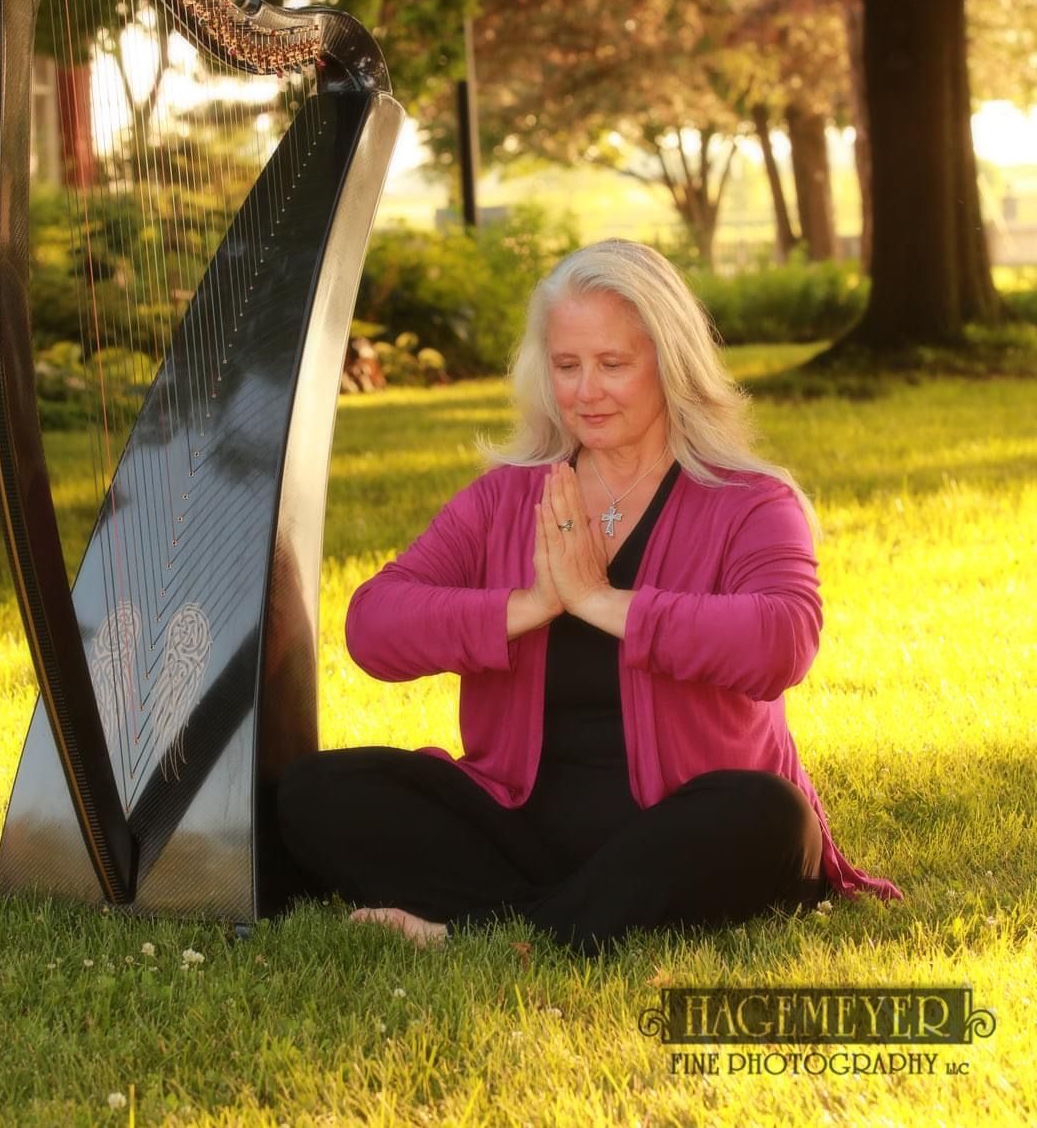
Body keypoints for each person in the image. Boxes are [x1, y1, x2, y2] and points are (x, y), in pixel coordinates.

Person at [277, 240, 900, 953]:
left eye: (612, 364)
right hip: (523, 829)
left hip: (680, 824)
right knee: (312, 793)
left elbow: (782, 642)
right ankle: (582, 911)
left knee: (771, 815)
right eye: (567, 366)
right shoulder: (505, 497)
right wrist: (530, 605)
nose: (585, 391)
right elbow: (372, 626)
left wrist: (602, 602)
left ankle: (487, 931)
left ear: (670, 363)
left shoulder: (751, 501)